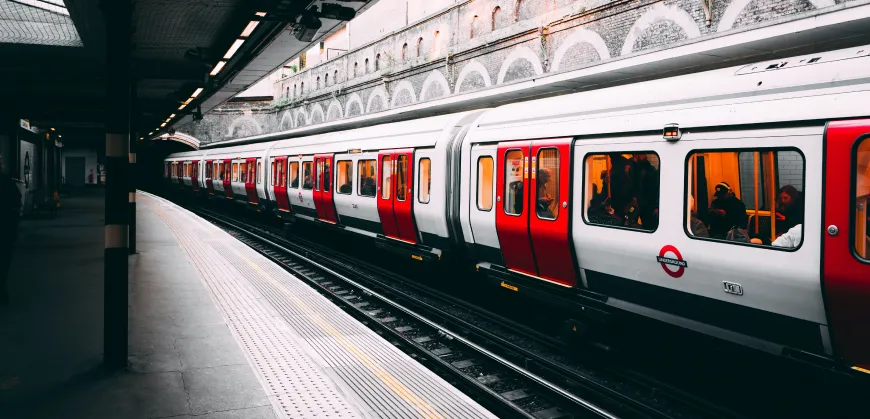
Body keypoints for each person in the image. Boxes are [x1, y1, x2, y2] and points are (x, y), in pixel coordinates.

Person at [1, 158, 22, 305]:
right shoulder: (6, 181)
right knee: (3, 261)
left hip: (6, 228)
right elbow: (16, 200)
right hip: (5, 229)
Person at [632, 154, 660, 230]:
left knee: (649, 225)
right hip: (641, 203)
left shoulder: (650, 171)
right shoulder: (636, 170)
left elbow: (655, 189)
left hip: (648, 204)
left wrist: (656, 206)